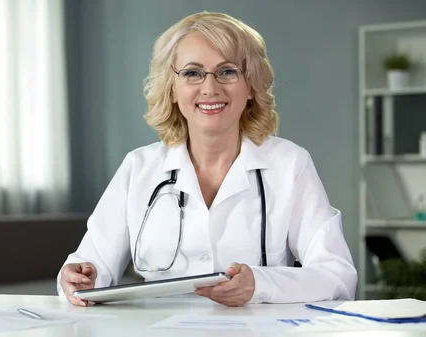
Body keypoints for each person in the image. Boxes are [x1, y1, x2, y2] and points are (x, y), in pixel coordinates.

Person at [57, 11, 357, 307]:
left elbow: (338, 276)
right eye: (192, 73)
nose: (210, 88)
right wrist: (76, 280)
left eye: (227, 71)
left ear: (250, 85)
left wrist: (261, 284)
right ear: (172, 89)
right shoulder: (138, 168)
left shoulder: (289, 164)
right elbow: (88, 268)